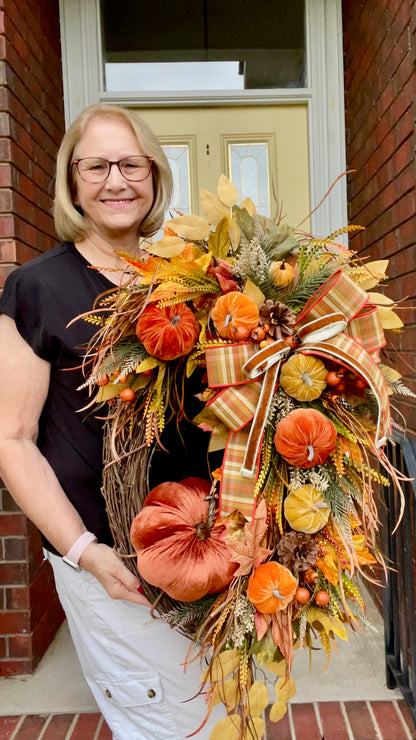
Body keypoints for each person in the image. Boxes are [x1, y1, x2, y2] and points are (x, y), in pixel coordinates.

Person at [0, 104, 225, 739]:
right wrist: (83, 551)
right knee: (166, 724)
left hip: (207, 540)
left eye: (131, 163)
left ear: (153, 175)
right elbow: (10, 439)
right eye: (95, 166)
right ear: (72, 183)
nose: (116, 180)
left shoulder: (185, 281)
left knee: (214, 711)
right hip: (114, 557)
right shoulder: (36, 288)